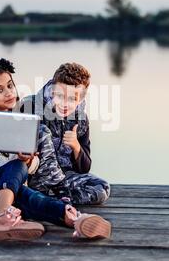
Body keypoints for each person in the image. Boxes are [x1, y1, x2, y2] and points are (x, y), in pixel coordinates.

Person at [0, 58, 111, 241]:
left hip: (11, 191)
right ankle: (3, 216)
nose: (9, 93)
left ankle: (75, 219)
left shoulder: (21, 117)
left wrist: (29, 160)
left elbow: (34, 164)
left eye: (10, 86)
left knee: (32, 198)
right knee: (18, 168)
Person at [21, 62, 111, 206]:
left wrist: (76, 146)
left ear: (80, 99)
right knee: (42, 131)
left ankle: (56, 199)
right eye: (60, 96)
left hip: (64, 178)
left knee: (102, 188)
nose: (64, 104)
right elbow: (3, 119)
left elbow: (84, 168)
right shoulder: (29, 106)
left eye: (71, 99)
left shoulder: (80, 120)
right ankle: (41, 193)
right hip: (33, 175)